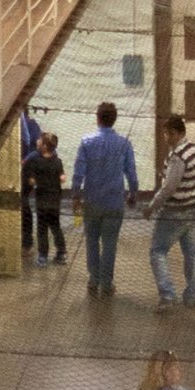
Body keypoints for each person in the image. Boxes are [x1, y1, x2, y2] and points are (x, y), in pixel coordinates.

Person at [70, 101, 139, 298]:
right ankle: (107, 284)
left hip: (92, 202)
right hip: (114, 203)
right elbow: (131, 174)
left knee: (91, 241)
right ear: (114, 119)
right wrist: (133, 194)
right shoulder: (124, 144)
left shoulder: (86, 142)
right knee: (110, 243)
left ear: (97, 118)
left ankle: (93, 281)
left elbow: (78, 172)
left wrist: (76, 196)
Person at [145, 114, 195, 309]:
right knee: (192, 254)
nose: (166, 137)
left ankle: (168, 295)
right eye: (164, 133)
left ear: (180, 133)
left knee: (157, 251)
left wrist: (151, 207)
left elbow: (168, 187)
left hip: (173, 213)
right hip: (193, 210)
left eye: (170, 133)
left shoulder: (177, 156)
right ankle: (191, 296)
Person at [22, 133, 67, 265]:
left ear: (44, 146)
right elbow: (63, 178)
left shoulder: (36, 162)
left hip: (42, 200)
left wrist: (35, 180)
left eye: (39, 140)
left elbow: (31, 181)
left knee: (42, 228)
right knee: (55, 226)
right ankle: (61, 252)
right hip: (55, 201)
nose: (37, 141)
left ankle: (43, 256)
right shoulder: (58, 162)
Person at [17, 108, 44, 257]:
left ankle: (25, 240)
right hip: (30, 170)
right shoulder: (34, 125)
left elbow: (30, 144)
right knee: (24, 202)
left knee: (21, 202)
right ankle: (27, 241)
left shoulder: (24, 125)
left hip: (25, 168)